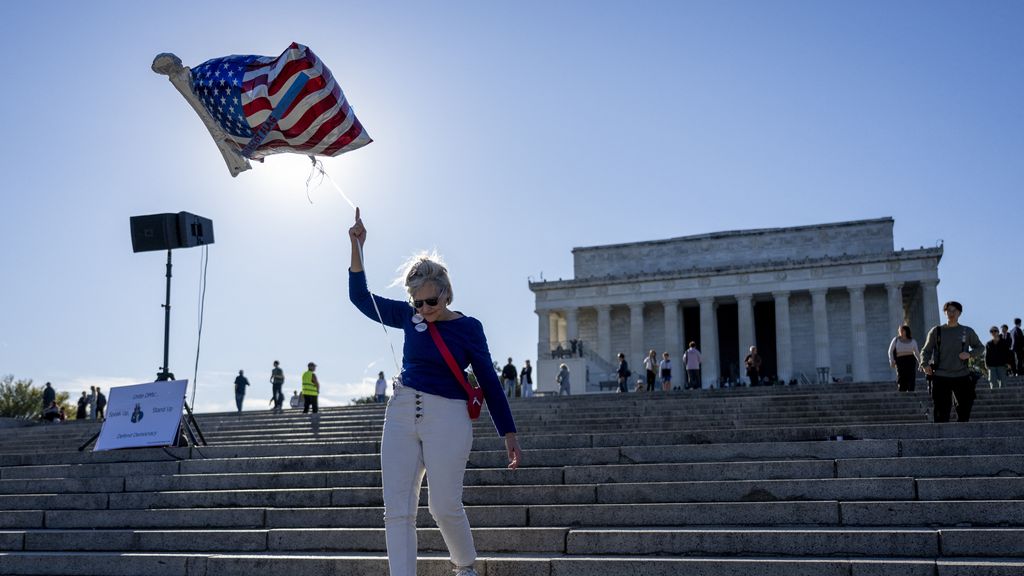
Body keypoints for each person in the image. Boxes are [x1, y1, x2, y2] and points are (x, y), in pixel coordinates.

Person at [347, 207, 520, 576]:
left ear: (446, 293)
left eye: (431, 301)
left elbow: (488, 379)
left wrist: (508, 432)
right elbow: (361, 299)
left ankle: (465, 566)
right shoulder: (410, 317)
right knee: (397, 508)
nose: (424, 309)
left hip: (449, 415)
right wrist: (357, 247)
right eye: (418, 302)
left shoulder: (469, 328)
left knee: (442, 506)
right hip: (402, 409)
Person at [920, 301, 984, 423]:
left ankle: (962, 435)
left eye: (954, 311)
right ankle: (941, 439)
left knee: (965, 409)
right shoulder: (936, 331)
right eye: (948, 310)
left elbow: (980, 348)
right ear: (945, 313)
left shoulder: (967, 331)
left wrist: (969, 354)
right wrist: (924, 364)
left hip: (962, 375)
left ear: (959, 313)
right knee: (941, 412)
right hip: (941, 376)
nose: (951, 313)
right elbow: (926, 350)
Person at [888, 325, 921, 392]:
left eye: (902, 330)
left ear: (906, 331)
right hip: (900, 361)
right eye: (900, 330)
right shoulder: (896, 340)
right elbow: (890, 351)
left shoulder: (913, 341)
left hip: (910, 361)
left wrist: (920, 362)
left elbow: (917, 353)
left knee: (911, 377)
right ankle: (902, 392)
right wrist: (891, 360)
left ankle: (911, 392)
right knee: (901, 378)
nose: (901, 331)